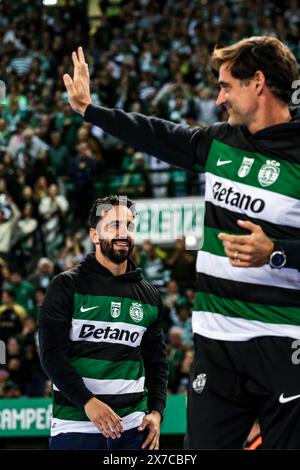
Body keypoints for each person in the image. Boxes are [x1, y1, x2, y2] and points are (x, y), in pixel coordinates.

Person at [63, 40, 300, 449]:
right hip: (216, 341)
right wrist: (90, 110)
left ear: (258, 82)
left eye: (227, 86)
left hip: (283, 341)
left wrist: (277, 251)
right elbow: (155, 133)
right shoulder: (220, 141)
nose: (219, 97)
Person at [39, 195, 168, 450]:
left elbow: (157, 363)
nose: (123, 233)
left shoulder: (150, 295)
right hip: (75, 427)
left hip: (133, 429)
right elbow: (51, 355)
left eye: (129, 226)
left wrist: (156, 412)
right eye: (114, 226)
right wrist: (88, 402)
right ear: (94, 235)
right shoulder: (65, 286)